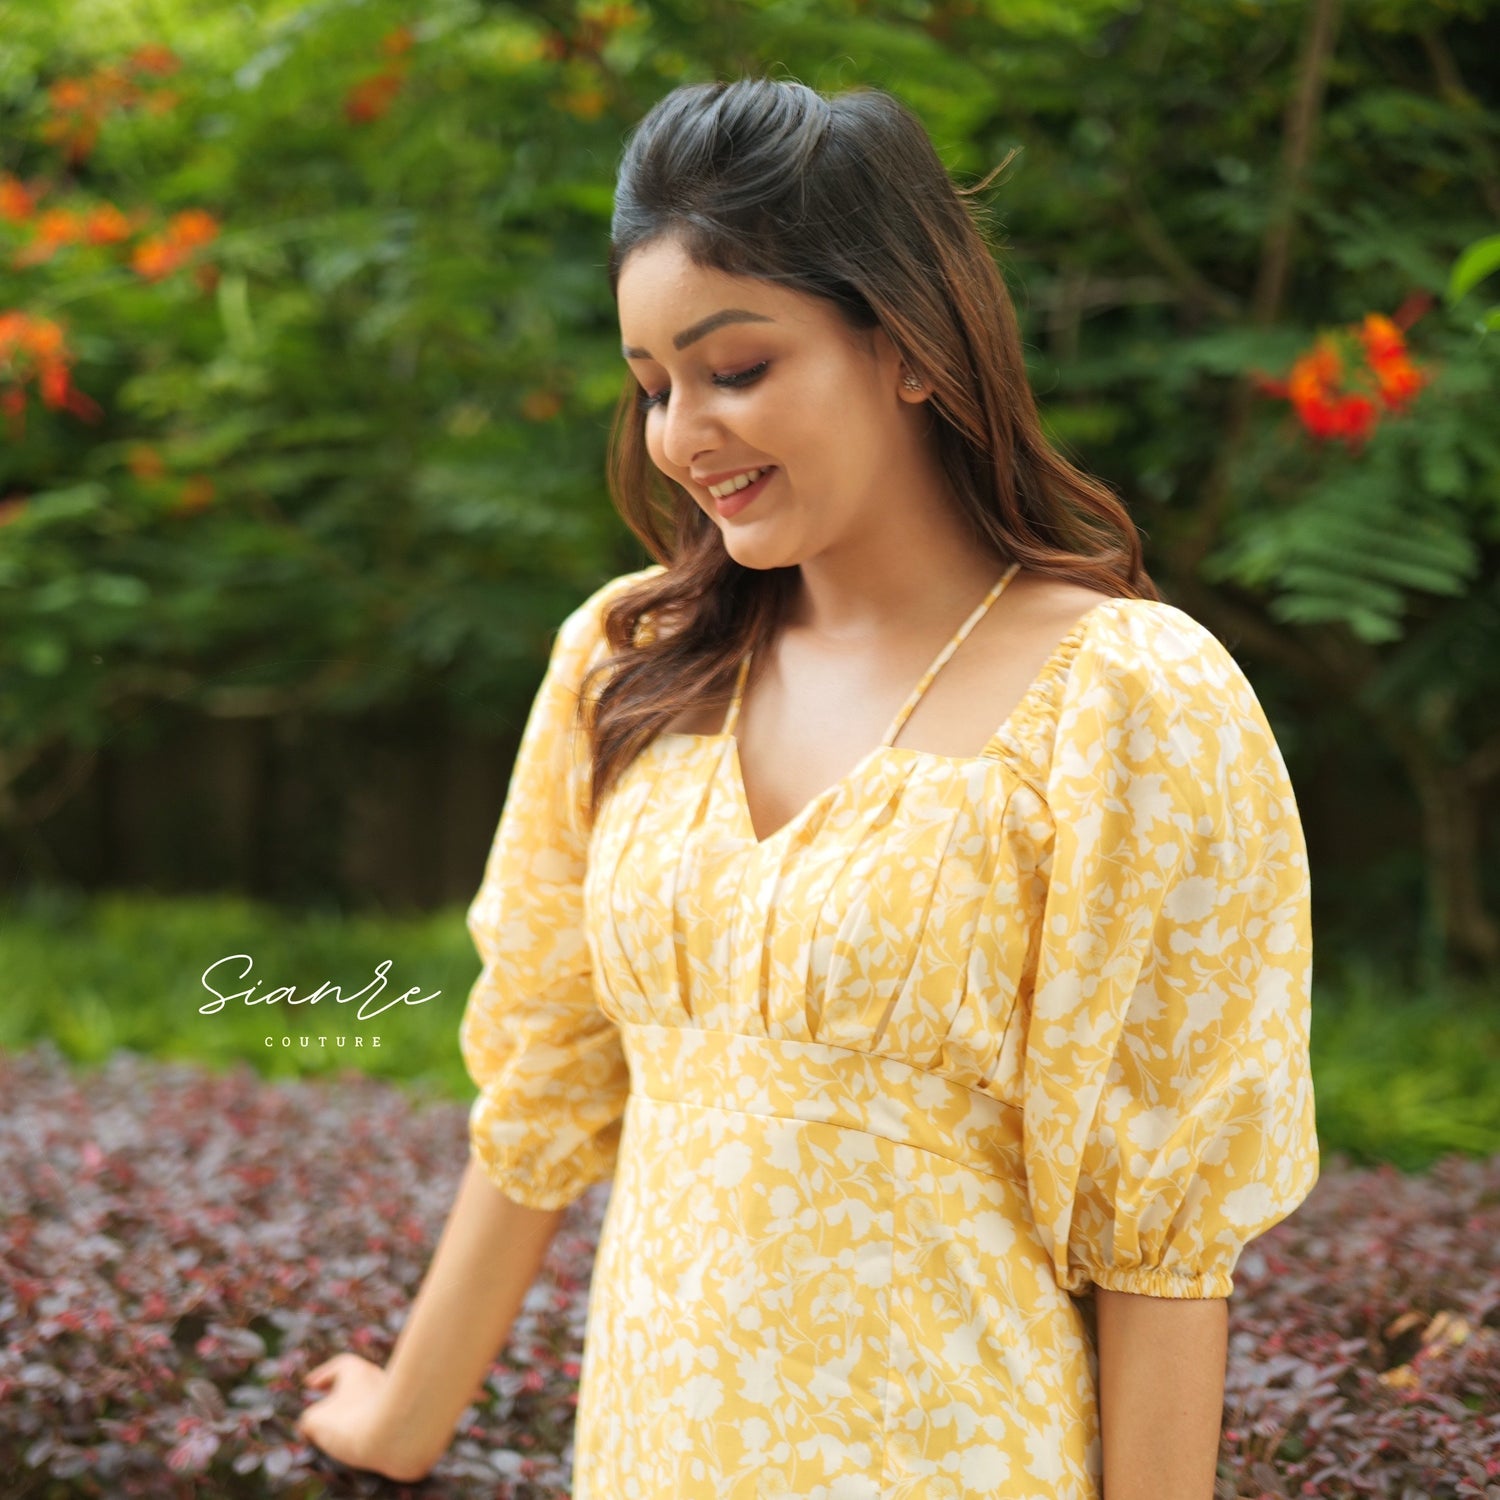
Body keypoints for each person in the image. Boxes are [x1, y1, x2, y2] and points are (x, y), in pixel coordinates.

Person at [295, 76, 1319, 1499]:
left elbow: (1161, 1234)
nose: (681, 432)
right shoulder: (624, 663)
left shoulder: (1130, 700)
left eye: (737, 367)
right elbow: (548, 1083)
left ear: (905, 343)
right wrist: (406, 1418)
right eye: (654, 385)